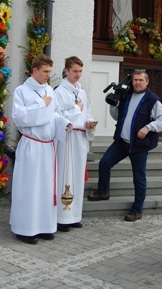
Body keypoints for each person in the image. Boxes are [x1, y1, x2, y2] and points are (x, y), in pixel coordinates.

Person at [88, 69, 162, 222]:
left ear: (147, 82)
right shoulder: (127, 95)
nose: (137, 83)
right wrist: (113, 103)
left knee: (139, 178)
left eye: (140, 80)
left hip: (139, 146)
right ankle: (103, 191)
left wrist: (148, 127)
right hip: (121, 142)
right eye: (135, 80)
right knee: (104, 163)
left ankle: (137, 210)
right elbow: (117, 116)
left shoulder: (153, 100)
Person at [10, 54, 71, 244]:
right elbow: (19, 117)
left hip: (47, 147)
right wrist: (40, 104)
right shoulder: (22, 91)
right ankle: (25, 229)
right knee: (30, 188)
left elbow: (53, 115)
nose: (48, 75)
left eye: (49, 72)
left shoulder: (50, 91)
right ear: (34, 70)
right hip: (32, 146)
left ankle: (44, 226)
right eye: (45, 71)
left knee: (45, 188)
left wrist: (65, 123)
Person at [54, 56, 97, 232]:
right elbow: (57, 116)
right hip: (67, 138)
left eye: (80, 71)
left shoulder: (82, 91)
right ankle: (62, 217)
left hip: (80, 138)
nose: (78, 75)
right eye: (74, 71)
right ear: (66, 71)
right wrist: (76, 110)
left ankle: (74, 215)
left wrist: (89, 121)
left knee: (77, 176)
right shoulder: (59, 91)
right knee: (66, 175)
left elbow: (87, 112)